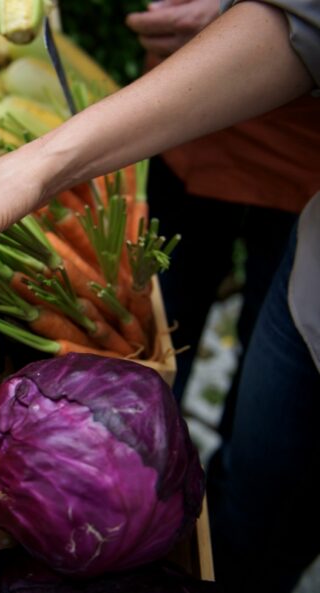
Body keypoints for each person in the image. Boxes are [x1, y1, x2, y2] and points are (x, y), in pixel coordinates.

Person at [0, 2, 320, 591]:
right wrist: (28, 172)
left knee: (271, 515)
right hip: (311, 280)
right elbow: (302, 25)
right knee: (253, 466)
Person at [126, 0, 320, 401]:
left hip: (306, 159)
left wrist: (232, 15)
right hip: (189, 121)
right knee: (160, 323)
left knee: (275, 373)